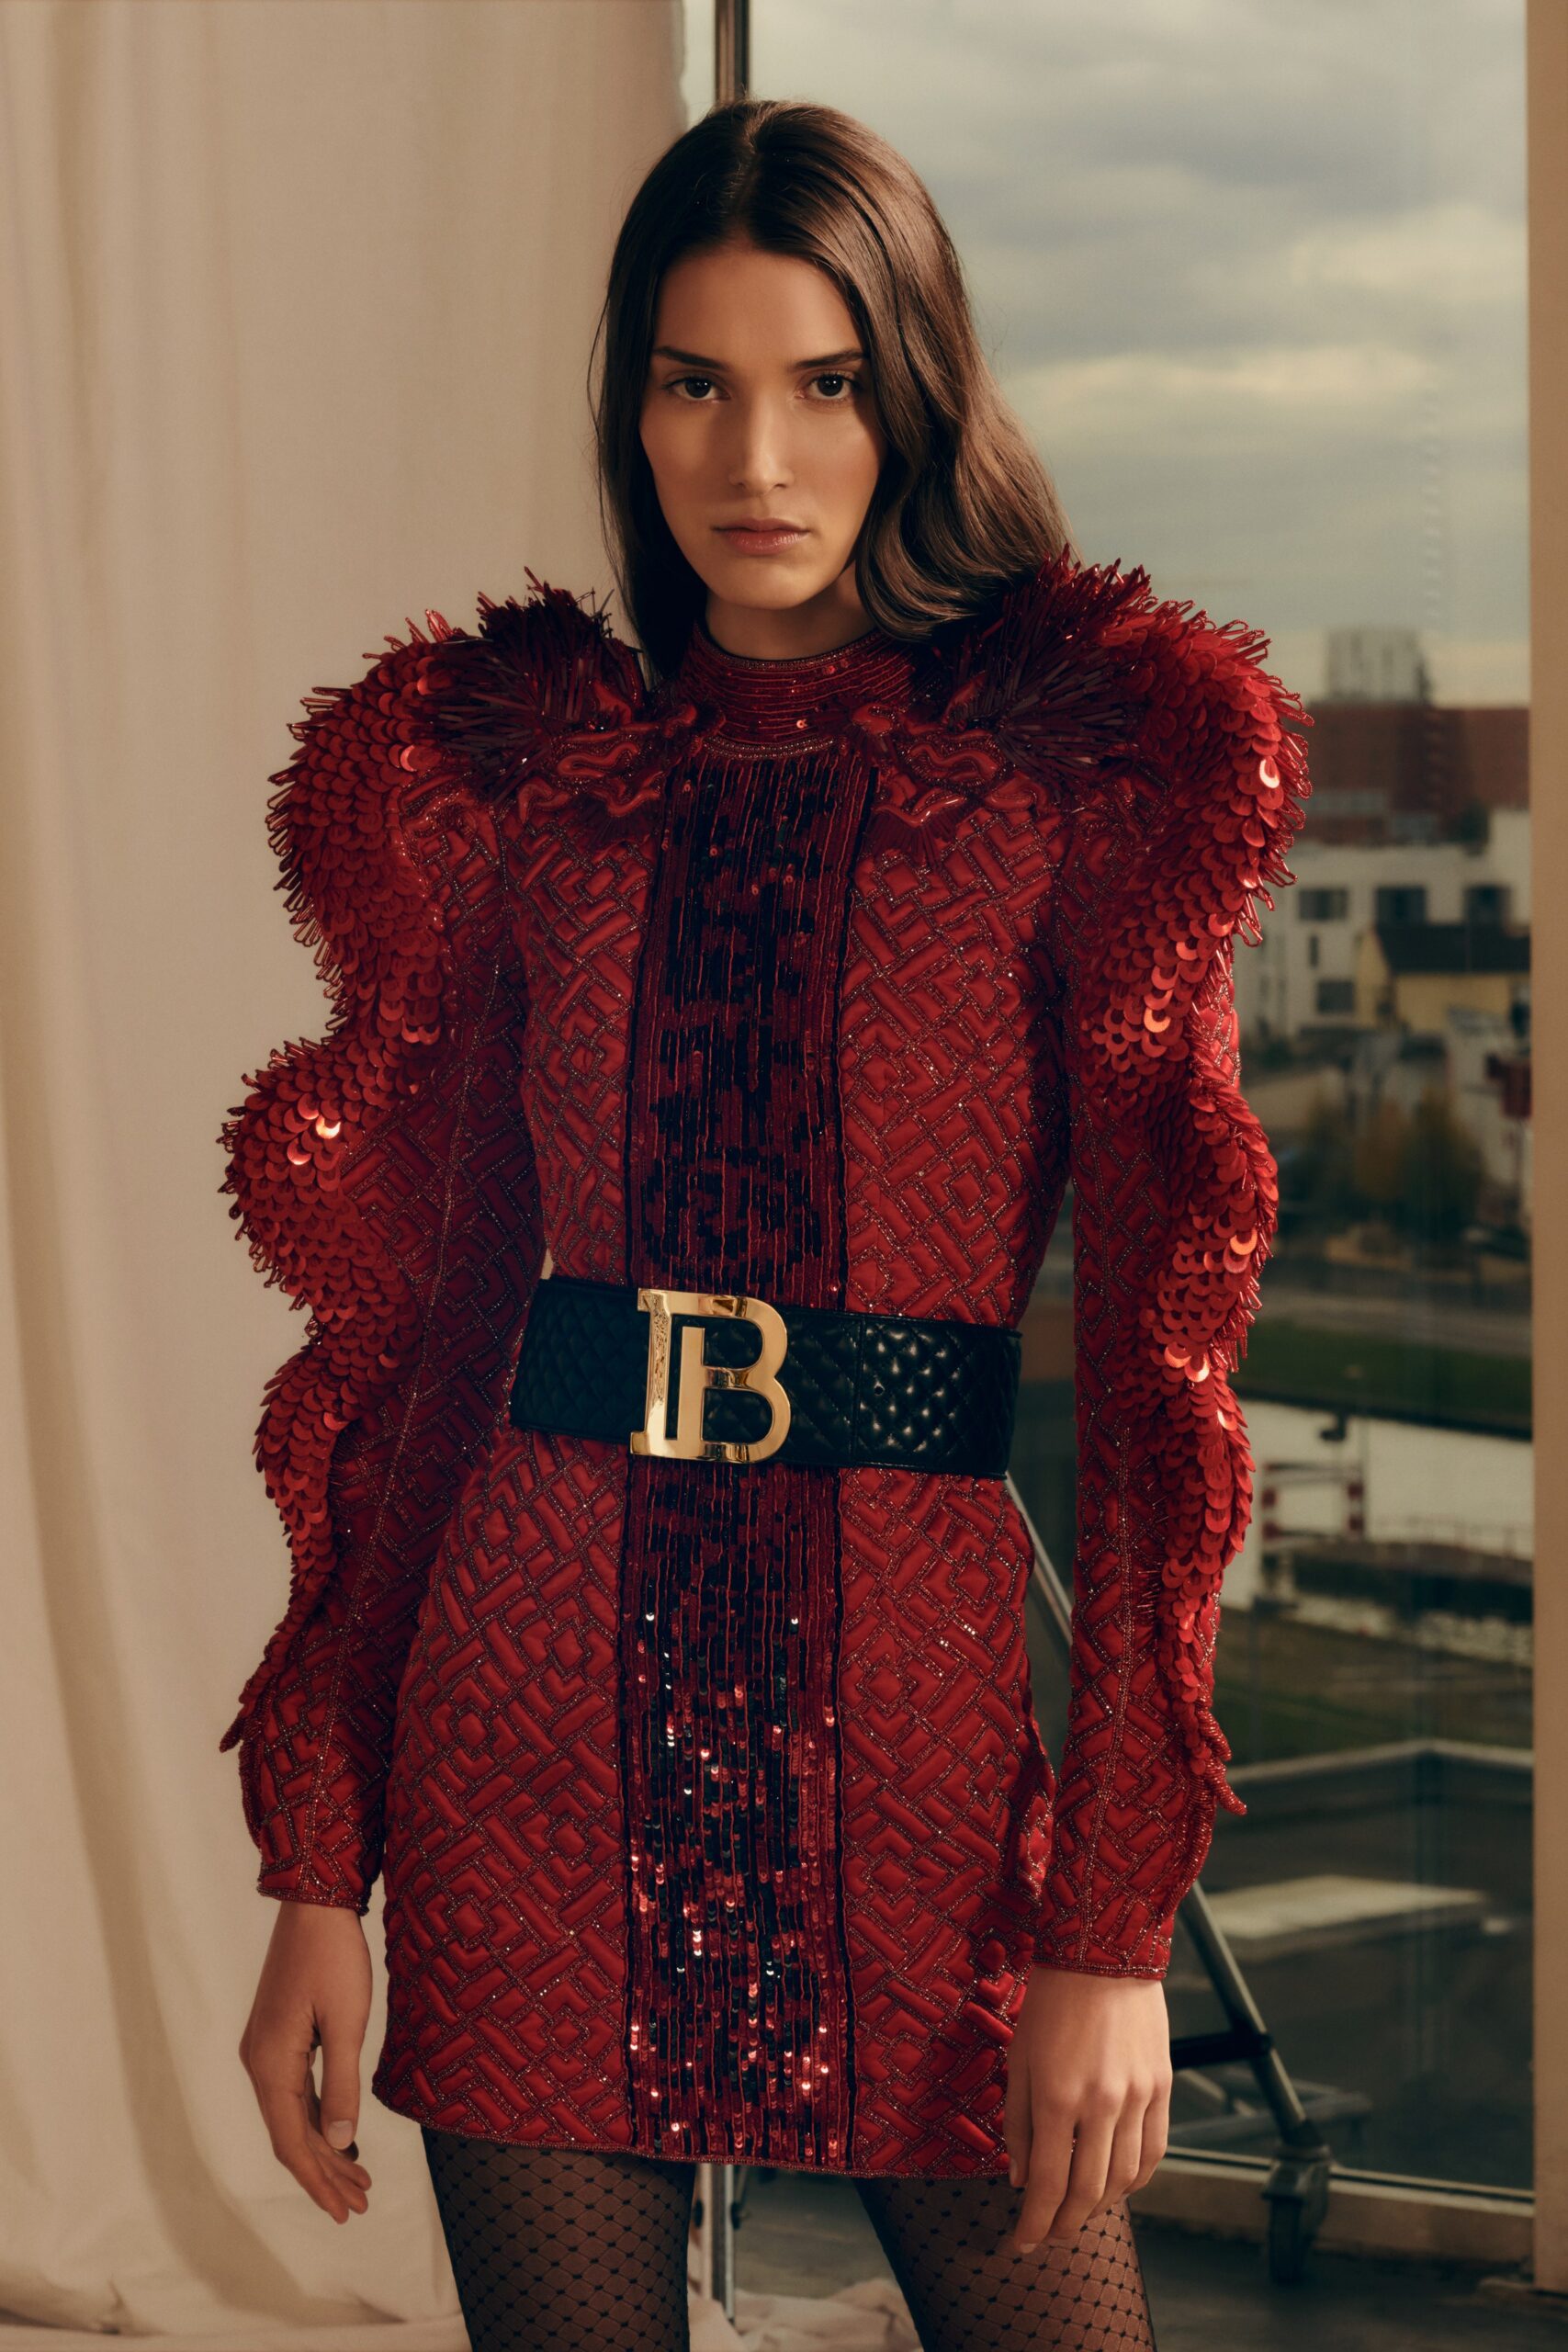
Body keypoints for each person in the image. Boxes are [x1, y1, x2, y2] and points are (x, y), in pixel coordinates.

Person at [225, 96, 1308, 2352]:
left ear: (912, 391)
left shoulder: (1070, 782)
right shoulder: (535, 787)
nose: (757, 456)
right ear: (629, 407)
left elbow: (1147, 1395)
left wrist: (1107, 1922)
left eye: (823, 382)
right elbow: (427, 1346)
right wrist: (319, 1863)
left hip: (915, 1737)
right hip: (522, 1726)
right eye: (691, 382)